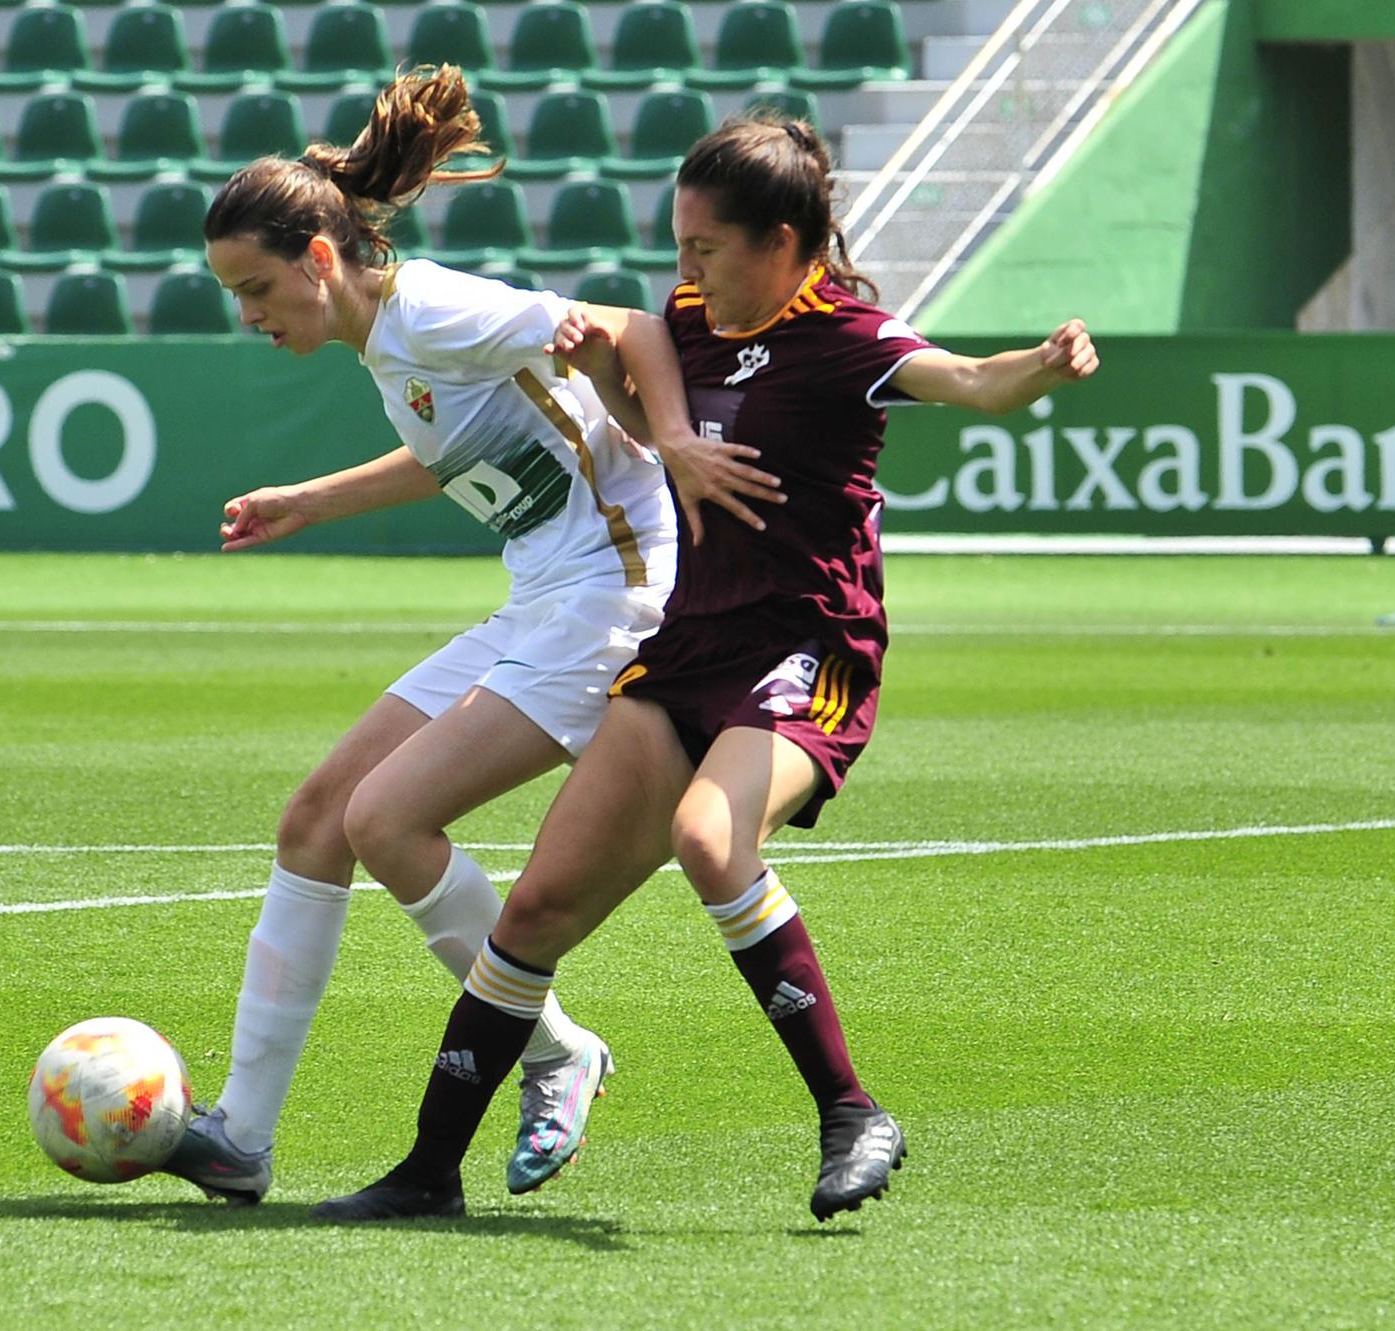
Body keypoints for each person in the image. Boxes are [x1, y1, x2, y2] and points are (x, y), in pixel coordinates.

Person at [312, 115, 1100, 1223]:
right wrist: (632, 398)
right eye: (679, 248)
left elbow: (970, 380)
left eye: (705, 250)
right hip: (685, 644)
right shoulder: (690, 321)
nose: (686, 272)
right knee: (536, 905)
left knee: (707, 836)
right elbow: (638, 391)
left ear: (782, 242)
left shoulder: (847, 339)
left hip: (806, 647)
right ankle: (426, 1170)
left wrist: (1043, 365)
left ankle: (848, 1109)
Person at [159, 68, 776, 1204]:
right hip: (539, 594)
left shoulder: (429, 310)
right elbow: (459, 449)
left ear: (319, 258)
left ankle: (556, 1053)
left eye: (254, 288)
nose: (249, 316)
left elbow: (628, 328)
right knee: (316, 816)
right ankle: (240, 1133)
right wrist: (308, 499)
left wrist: (675, 440)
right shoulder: (393, 341)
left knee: (386, 817)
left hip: (613, 592)